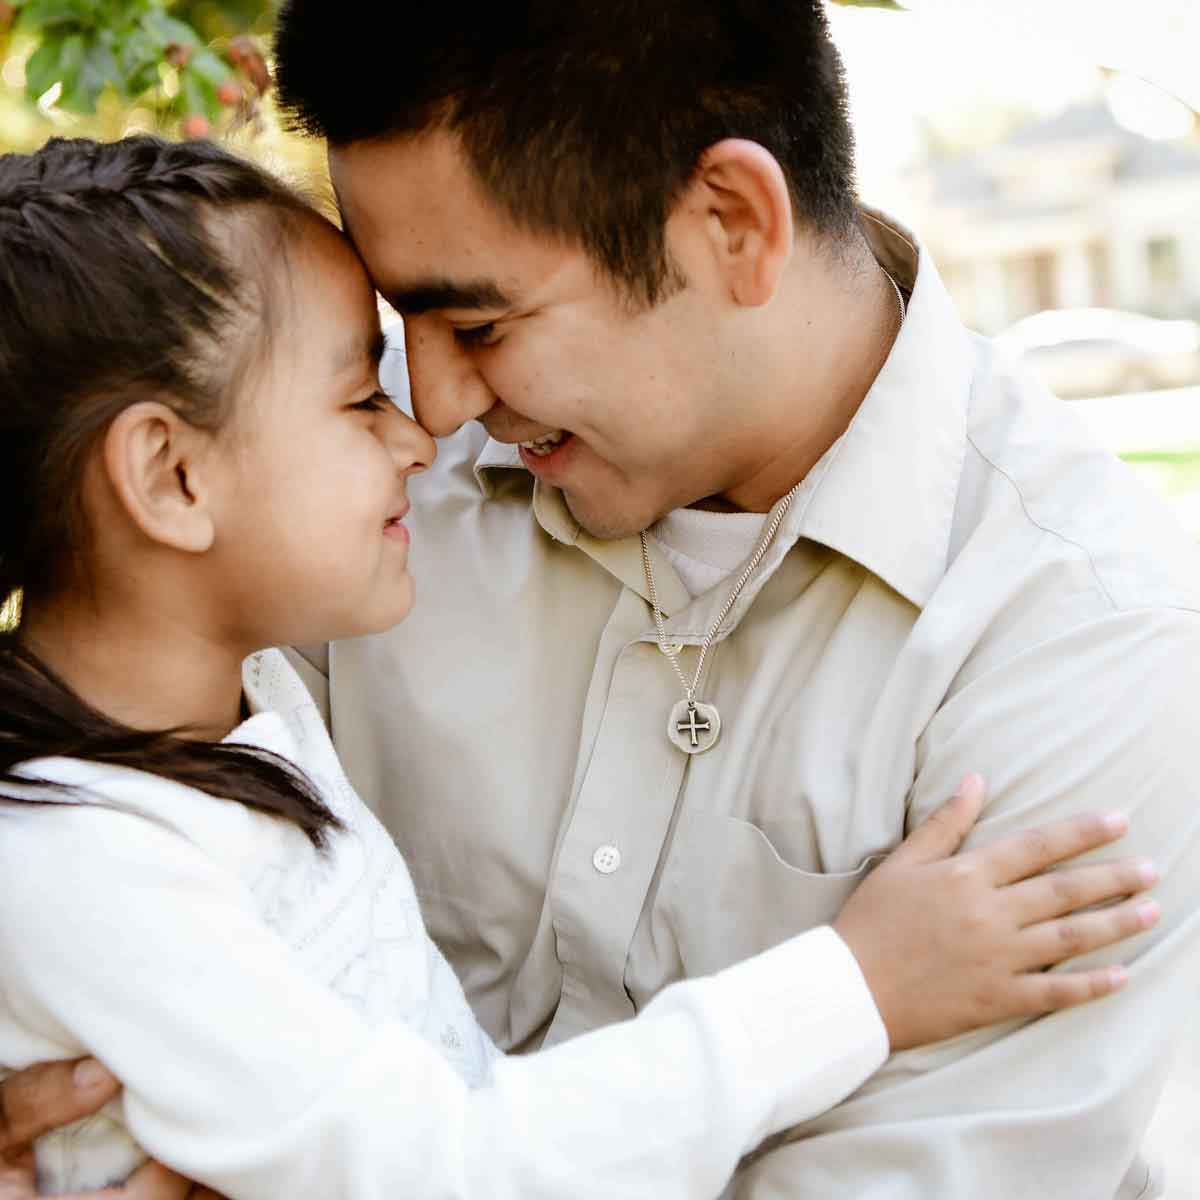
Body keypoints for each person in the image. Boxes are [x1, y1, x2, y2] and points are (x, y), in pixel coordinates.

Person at [6, 2, 1200, 1196]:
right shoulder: (303, 495)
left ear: (734, 223)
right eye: (391, 327)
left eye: (477, 322)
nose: (426, 405)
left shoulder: (1091, 643)